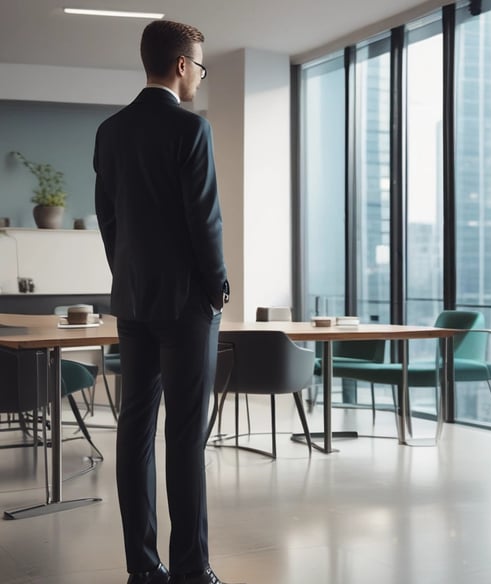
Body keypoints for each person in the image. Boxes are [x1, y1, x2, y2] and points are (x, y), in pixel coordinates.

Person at [94, 20, 233, 584]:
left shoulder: (110, 130)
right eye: (199, 65)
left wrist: (128, 274)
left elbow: (109, 219)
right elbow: (205, 220)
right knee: (184, 438)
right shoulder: (191, 129)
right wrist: (217, 282)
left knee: (134, 432)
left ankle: (142, 569)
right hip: (186, 305)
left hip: (133, 298)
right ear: (181, 65)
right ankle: (192, 572)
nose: (199, 76)